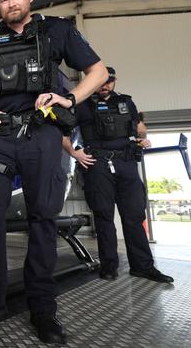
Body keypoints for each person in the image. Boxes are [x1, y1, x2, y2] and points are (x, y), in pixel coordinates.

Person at [0, 0, 108, 343]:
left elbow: (98, 72)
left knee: (43, 220)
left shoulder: (58, 30)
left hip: (42, 135)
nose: (10, 3)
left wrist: (70, 99)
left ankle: (43, 310)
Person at [63, 67, 173, 284]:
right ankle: (109, 266)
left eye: (109, 81)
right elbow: (61, 133)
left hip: (126, 163)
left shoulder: (127, 102)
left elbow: (139, 129)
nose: (105, 86)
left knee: (134, 216)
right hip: (98, 165)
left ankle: (143, 267)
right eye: (101, 81)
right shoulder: (81, 104)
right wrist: (75, 154)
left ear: (114, 81)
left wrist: (143, 139)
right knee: (104, 217)